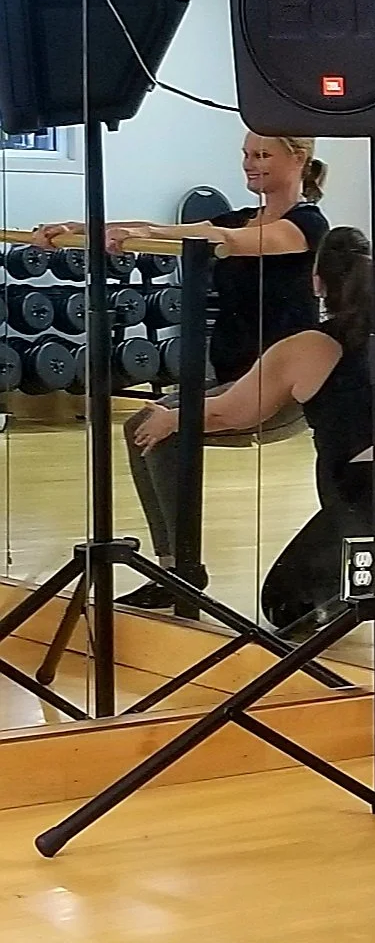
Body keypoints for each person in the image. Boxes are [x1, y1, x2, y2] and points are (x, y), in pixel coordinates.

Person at [37, 133, 330, 606]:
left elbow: (227, 241)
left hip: (279, 388)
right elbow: (160, 226)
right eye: (245, 155)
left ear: (297, 159)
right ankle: (177, 570)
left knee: (158, 429)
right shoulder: (240, 217)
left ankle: (183, 573)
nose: (249, 165)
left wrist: (154, 236)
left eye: (261, 156)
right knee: (143, 429)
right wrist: (86, 227)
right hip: (231, 377)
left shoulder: (306, 226)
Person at [128, 227, 375, 634]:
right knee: (343, 560)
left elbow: (233, 413)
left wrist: (171, 418)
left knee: (287, 605)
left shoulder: (309, 346)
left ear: (317, 282)